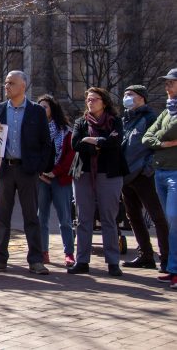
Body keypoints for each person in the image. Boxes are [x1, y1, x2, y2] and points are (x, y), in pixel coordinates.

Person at [0, 71, 52, 275]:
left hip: (27, 170)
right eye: (5, 83)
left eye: (11, 83)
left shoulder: (36, 111)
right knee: (1, 216)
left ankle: (36, 260)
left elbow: (45, 143)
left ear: (23, 86)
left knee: (31, 216)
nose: (7, 86)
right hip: (5, 169)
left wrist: (38, 167)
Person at [68, 87, 128, 277]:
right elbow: (76, 143)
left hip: (109, 174)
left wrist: (92, 141)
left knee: (109, 219)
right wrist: (100, 143)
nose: (90, 102)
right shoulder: (80, 122)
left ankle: (113, 262)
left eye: (94, 99)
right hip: (83, 174)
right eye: (88, 99)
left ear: (104, 102)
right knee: (83, 219)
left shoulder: (115, 121)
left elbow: (115, 143)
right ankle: (82, 261)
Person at [121, 84, 169, 272]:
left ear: (141, 97)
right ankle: (146, 255)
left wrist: (146, 168)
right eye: (125, 94)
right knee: (133, 216)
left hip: (143, 176)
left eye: (130, 94)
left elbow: (157, 145)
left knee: (157, 216)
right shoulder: (125, 119)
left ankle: (166, 258)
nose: (126, 97)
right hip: (126, 176)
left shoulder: (150, 118)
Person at [143, 68, 177, 289]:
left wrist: (160, 138)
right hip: (161, 172)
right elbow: (147, 137)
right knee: (170, 223)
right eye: (166, 83)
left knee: (174, 219)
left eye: (171, 83)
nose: (167, 87)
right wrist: (162, 143)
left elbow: (171, 131)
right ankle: (173, 269)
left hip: (175, 172)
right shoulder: (166, 111)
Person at [36, 94, 76, 267]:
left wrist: (55, 172)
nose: (42, 110)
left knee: (65, 218)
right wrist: (39, 172)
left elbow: (70, 155)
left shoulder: (65, 131)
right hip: (41, 178)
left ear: (53, 108)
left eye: (45, 106)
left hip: (61, 179)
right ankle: (43, 252)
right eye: (39, 107)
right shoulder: (35, 129)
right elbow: (31, 153)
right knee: (41, 217)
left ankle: (69, 253)